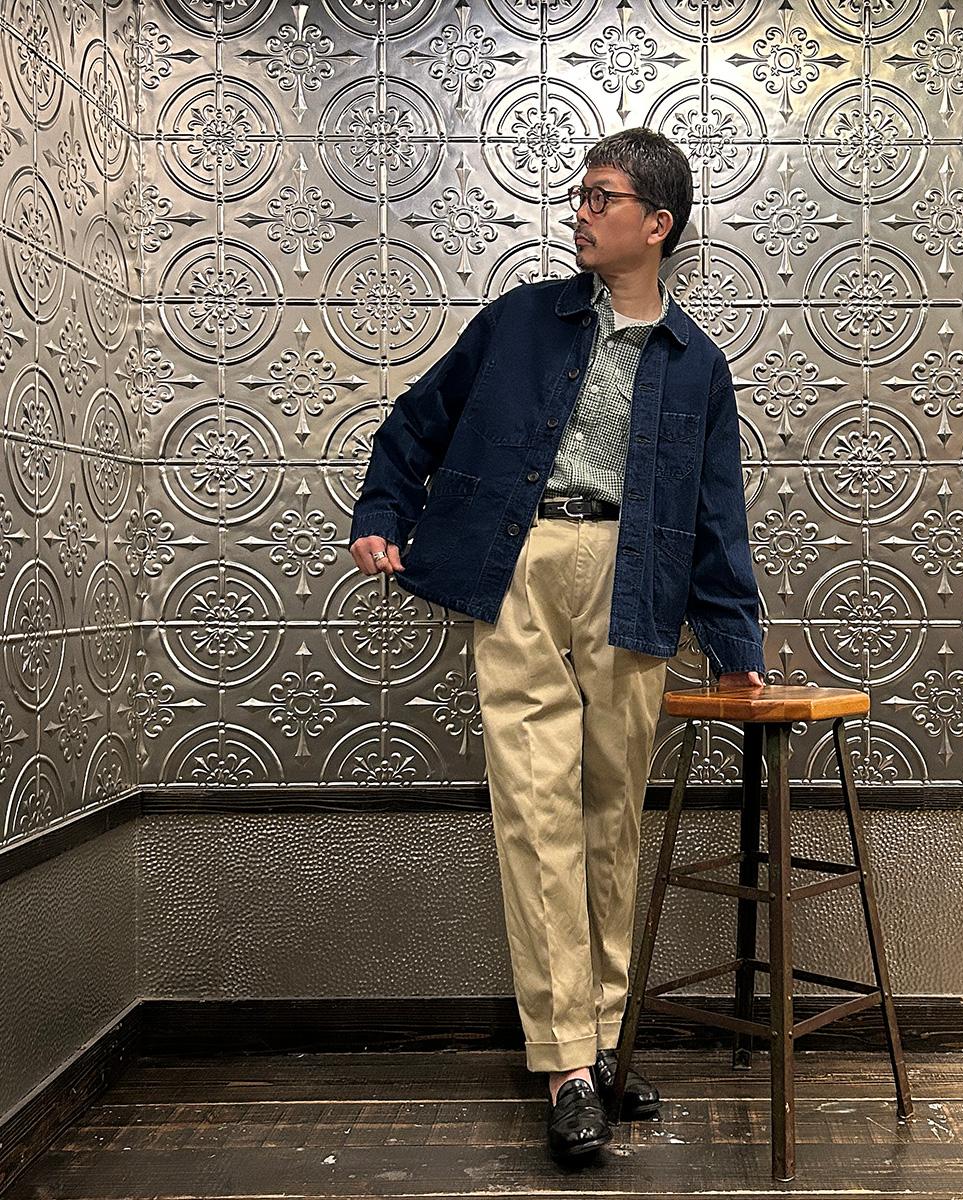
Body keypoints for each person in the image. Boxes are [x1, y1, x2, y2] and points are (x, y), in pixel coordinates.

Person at [348, 127, 765, 1163]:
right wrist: (384, 510)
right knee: (536, 815)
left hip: (637, 578)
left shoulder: (698, 366)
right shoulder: (521, 321)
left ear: (656, 224)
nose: (580, 211)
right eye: (580, 194)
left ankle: (607, 1044)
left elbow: (717, 514)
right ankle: (566, 1064)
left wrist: (734, 638)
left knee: (610, 818)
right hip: (521, 565)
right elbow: (417, 421)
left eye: (601, 196)